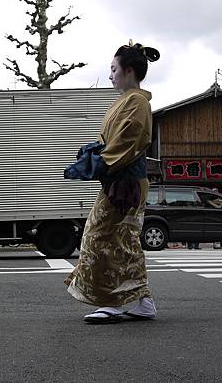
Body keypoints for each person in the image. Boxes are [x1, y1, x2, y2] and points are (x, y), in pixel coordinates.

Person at [64, 40, 160, 324]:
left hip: (126, 181)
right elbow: (114, 142)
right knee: (121, 240)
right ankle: (142, 302)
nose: (110, 75)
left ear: (128, 70)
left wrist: (98, 161)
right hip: (121, 180)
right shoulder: (128, 102)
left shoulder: (137, 103)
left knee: (106, 239)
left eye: (113, 69)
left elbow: (127, 143)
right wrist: (94, 152)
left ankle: (115, 302)